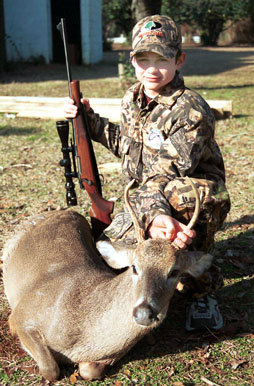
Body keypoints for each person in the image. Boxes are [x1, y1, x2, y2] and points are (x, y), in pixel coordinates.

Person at [63, 15, 231, 331]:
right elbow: (130, 149)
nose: (152, 68)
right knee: (107, 250)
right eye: (144, 58)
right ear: (132, 60)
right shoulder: (133, 98)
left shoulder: (191, 108)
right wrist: (89, 121)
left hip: (197, 191)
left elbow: (165, 171)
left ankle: (202, 288)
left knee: (181, 198)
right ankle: (150, 283)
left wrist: (154, 217)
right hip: (149, 193)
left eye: (162, 58)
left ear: (179, 60)